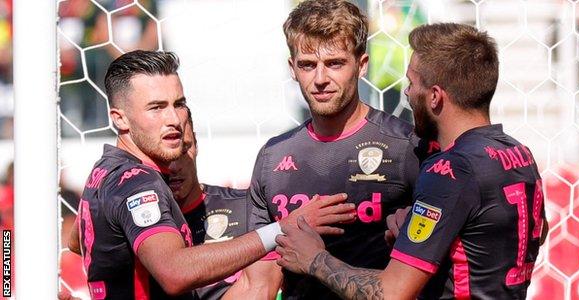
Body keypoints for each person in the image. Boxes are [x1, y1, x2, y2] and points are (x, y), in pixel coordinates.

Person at [275, 23, 548, 299]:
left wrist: (315, 259)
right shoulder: (518, 154)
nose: (406, 93)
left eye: (411, 83)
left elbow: (391, 293)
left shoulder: (451, 170)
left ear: (435, 97)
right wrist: (425, 240)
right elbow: (531, 233)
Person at [70, 50, 357, 299]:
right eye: (156, 108)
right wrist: (281, 229)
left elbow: (78, 239)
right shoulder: (139, 182)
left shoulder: (104, 171)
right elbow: (174, 272)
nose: (173, 120)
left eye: (178, 103)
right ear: (119, 118)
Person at [235, 1, 428, 298]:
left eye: (335, 63)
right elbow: (258, 285)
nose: (321, 79)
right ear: (292, 68)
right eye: (307, 65)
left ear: (362, 65)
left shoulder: (407, 147)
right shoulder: (271, 158)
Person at [168, 113, 256, 299]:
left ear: (197, 145)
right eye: (164, 155)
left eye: (184, 149)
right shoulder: (139, 225)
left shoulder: (248, 207)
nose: (174, 166)